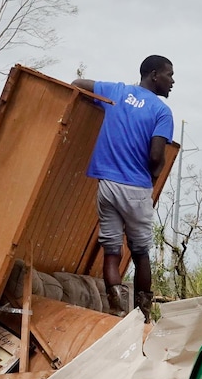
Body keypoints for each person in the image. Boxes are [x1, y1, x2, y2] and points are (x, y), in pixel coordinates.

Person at [72, 56, 175, 322]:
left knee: (112, 250)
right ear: (154, 75)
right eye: (169, 75)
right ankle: (143, 314)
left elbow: (77, 83)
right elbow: (155, 156)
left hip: (106, 185)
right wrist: (156, 173)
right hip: (136, 189)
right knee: (140, 252)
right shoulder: (162, 112)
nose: (172, 81)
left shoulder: (116, 91)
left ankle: (116, 309)